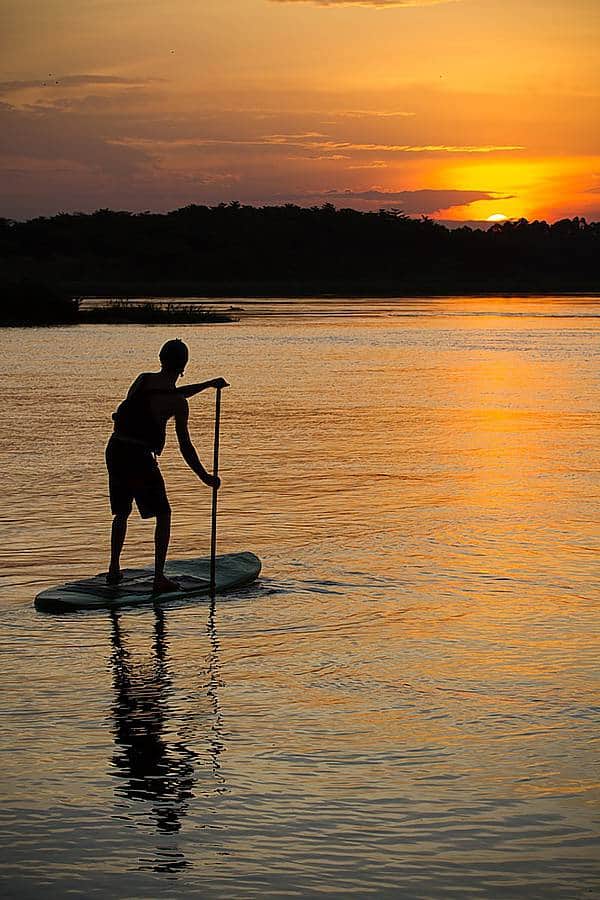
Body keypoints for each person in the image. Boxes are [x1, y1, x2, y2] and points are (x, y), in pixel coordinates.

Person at [105, 339, 228, 593]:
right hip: (138, 455)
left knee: (122, 512)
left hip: (115, 449)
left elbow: (161, 394)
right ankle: (159, 577)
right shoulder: (178, 403)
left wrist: (206, 385)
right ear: (183, 366)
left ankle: (114, 568)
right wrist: (205, 477)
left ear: (161, 359)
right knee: (164, 513)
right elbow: (185, 446)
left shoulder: (143, 379)